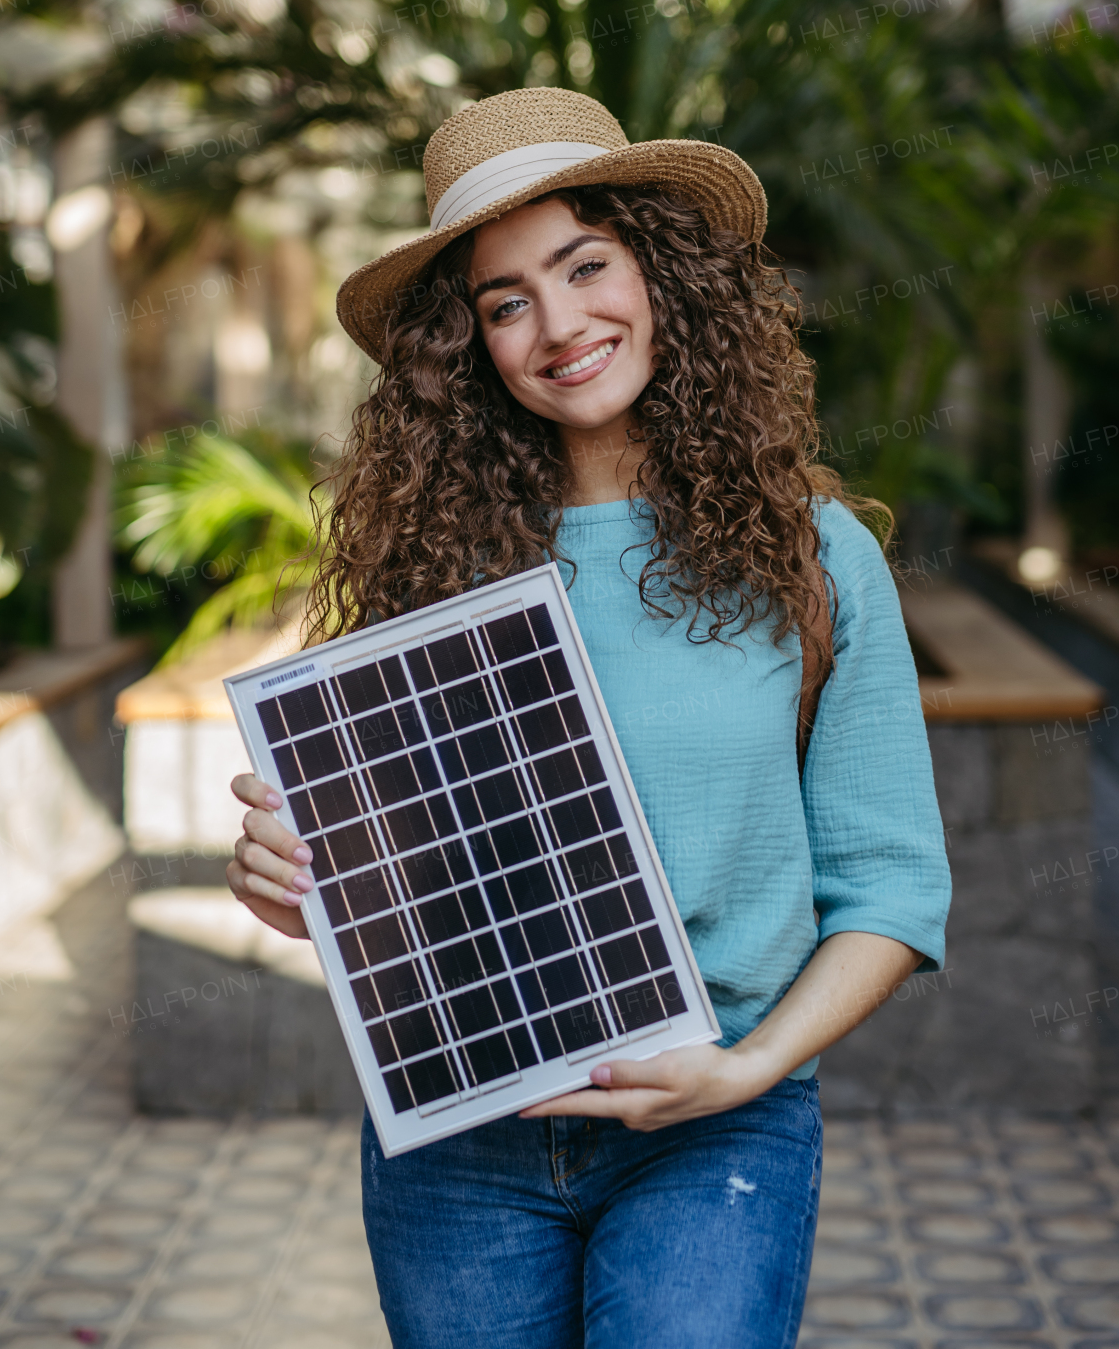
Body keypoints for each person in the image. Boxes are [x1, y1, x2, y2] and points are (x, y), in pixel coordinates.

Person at [226, 88, 951, 1349]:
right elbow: (397, 880)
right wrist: (300, 883)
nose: (558, 325)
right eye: (505, 301)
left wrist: (743, 1070)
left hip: (715, 1121)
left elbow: (887, 887)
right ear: (467, 347)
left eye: (584, 265)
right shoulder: (428, 575)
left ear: (660, 275)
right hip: (460, 1135)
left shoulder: (815, 557)